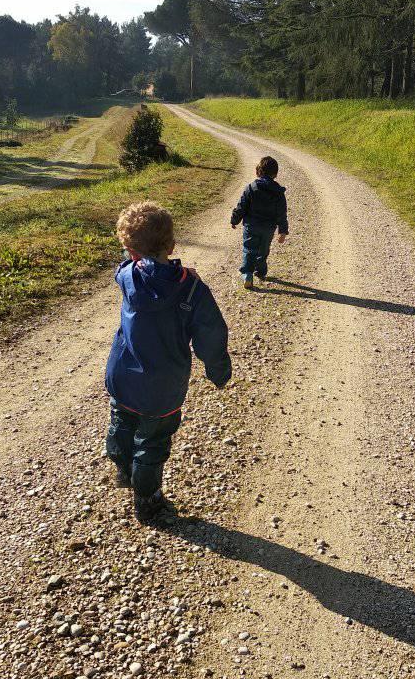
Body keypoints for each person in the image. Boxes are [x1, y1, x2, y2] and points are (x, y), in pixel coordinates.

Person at [104, 201, 231, 522]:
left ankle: (122, 466)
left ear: (130, 250)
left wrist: (133, 249)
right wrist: (218, 370)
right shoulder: (192, 288)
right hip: (163, 387)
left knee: (122, 422)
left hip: (122, 375)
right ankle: (146, 498)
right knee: (154, 440)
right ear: (172, 245)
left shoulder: (127, 275)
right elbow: (211, 336)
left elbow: (134, 261)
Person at [230, 156, 288, 288]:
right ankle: (260, 272)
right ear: (275, 174)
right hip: (268, 228)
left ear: (258, 172)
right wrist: (283, 231)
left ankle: (247, 275)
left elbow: (241, 206)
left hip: (252, 226)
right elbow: (282, 213)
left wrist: (235, 219)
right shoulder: (278, 193)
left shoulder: (251, 188)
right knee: (263, 250)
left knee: (249, 249)